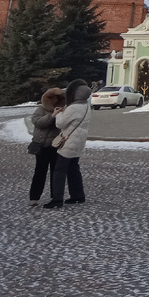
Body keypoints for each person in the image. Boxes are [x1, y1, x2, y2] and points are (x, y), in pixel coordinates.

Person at [45, 78, 91, 209]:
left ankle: (57, 199)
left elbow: (60, 123)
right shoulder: (86, 106)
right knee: (73, 168)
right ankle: (78, 195)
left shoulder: (74, 108)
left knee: (59, 170)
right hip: (79, 142)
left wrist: (59, 113)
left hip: (69, 142)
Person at [29, 87, 65, 206]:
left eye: (58, 99)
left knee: (56, 172)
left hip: (56, 145)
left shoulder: (62, 110)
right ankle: (34, 197)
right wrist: (52, 116)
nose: (55, 101)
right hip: (42, 146)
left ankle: (55, 197)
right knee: (40, 171)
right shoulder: (41, 109)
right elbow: (38, 122)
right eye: (53, 98)